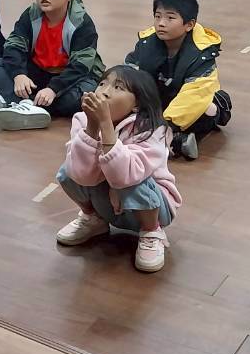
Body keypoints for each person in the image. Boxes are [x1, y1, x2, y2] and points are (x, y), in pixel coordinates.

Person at [54, 65, 180, 273]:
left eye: (118, 87)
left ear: (137, 104)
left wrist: (105, 123)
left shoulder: (152, 129)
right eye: (102, 83)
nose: (104, 92)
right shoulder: (82, 120)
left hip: (153, 206)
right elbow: (80, 173)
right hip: (108, 204)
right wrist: (92, 127)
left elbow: (126, 175)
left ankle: (151, 233)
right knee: (67, 171)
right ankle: (93, 218)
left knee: (132, 179)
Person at [0, 0, 104, 131]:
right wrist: (19, 75)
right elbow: (13, 45)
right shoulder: (31, 14)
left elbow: (80, 66)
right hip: (39, 73)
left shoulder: (81, 22)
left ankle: (16, 102)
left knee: (84, 96)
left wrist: (53, 89)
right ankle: (28, 104)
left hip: (69, 78)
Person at [124, 0, 231, 160]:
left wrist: (164, 126)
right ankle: (176, 142)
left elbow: (194, 95)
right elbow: (129, 76)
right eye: (157, 16)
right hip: (160, 101)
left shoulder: (201, 53)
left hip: (187, 103)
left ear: (189, 25)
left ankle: (173, 136)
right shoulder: (146, 43)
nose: (161, 23)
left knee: (207, 110)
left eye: (170, 18)